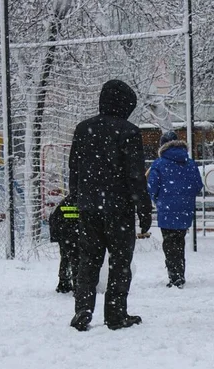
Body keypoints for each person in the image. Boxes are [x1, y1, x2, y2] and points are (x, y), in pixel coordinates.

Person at [67, 79, 152, 331]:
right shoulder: (129, 132)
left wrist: (78, 200)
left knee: (88, 260)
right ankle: (115, 314)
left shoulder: (83, 129)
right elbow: (135, 176)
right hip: (119, 208)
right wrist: (144, 209)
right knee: (119, 261)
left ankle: (82, 310)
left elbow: (74, 170)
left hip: (89, 207)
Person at [147, 131, 204, 289]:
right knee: (179, 242)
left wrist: (156, 198)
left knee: (169, 244)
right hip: (185, 209)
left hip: (166, 209)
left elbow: (152, 187)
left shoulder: (158, 164)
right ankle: (180, 274)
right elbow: (198, 185)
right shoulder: (190, 163)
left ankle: (174, 276)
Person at [48, 192, 80, 294]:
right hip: (74, 233)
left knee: (65, 257)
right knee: (76, 259)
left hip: (63, 233)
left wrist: (56, 237)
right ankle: (78, 285)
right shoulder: (83, 203)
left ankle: (63, 282)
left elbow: (53, 218)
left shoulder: (64, 202)